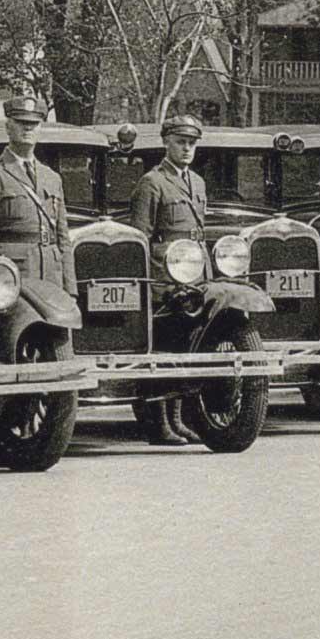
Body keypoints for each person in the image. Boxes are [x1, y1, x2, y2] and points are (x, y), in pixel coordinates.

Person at [129, 116, 212, 444]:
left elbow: (200, 234)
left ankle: (177, 420)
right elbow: (140, 237)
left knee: (184, 349)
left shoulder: (199, 183)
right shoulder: (152, 182)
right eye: (180, 142)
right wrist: (151, 280)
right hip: (165, 276)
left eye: (192, 143)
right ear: (166, 142)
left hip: (194, 273)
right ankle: (159, 423)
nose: (187, 148)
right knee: (162, 350)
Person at [0, 97, 76, 296]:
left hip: (52, 277)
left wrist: (70, 289)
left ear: (40, 128)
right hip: (12, 279)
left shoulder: (51, 178)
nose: (28, 129)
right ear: (8, 127)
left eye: (33, 124)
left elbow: (63, 239)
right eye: (21, 123)